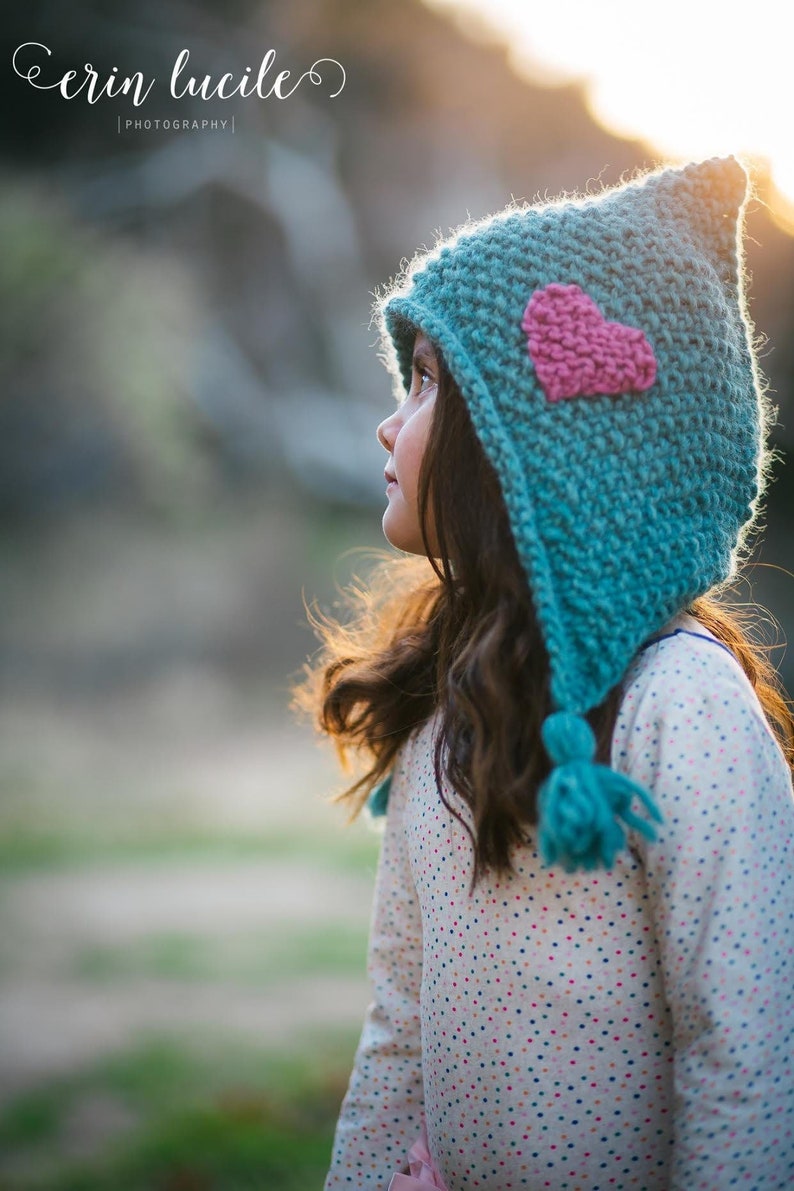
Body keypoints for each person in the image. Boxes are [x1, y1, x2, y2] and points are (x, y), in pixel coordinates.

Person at [295, 156, 794, 1189]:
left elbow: (744, 1056)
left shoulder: (677, 701)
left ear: (536, 446)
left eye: (428, 380)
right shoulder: (445, 702)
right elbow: (396, 1029)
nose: (390, 422)